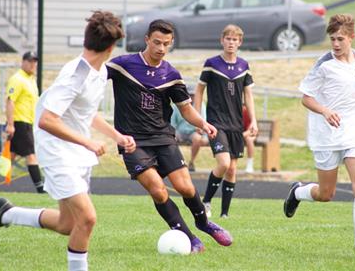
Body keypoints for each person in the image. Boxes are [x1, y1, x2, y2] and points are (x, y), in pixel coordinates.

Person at [0, 10, 136, 271]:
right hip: (57, 151)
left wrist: (116, 135)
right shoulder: (77, 73)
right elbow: (48, 120)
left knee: (67, 225)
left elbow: (86, 112)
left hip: (76, 152)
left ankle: (6, 213)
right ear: (111, 47)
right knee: (87, 218)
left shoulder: (99, 72)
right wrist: (88, 143)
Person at [106, 19, 232, 253]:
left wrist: (203, 123)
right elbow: (92, 75)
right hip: (133, 142)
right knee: (157, 189)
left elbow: (185, 109)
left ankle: (204, 223)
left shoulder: (172, 74)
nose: (161, 48)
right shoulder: (122, 65)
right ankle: (189, 237)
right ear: (146, 40)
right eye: (156, 42)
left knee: (185, 187)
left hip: (163, 138)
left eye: (166, 44)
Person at [283, 14, 355, 250]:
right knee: (326, 194)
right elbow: (306, 98)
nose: (335, 44)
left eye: (340, 39)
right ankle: (298, 192)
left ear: (351, 38)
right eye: (332, 39)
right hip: (326, 135)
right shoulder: (324, 64)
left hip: (354, 132)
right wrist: (325, 111)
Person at [194, 24, 258, 218]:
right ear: (222, 40)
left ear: (240, 42)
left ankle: (225, 214)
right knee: (223, 163)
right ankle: (206, 202)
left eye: (235, 39)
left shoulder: (244, 66)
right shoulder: (211, 63)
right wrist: (198, 119)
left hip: (236, 124)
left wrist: (253, 120)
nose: (231, 42)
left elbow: (248, 95)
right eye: (228, 39)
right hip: (216, 123)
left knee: (232, 169)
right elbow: (199, 90)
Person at [0, 51, 44, 193]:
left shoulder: (30, 80)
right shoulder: (18, 79)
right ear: (23, 62)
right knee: (31, 155)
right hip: (20, 122)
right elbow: (10, 101)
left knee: (9, 156)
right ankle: (40, 188)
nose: (33, 64)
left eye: (35, 61)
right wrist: (10, 124)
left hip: (27, 123)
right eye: (30, 61)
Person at [170, 87, 209, 172]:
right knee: (171, 138)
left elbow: (203, 122)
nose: (191, 97)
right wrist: (174, 133)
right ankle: (178, 162)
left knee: (197, 138)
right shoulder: (176, 106)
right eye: (189, 95)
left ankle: (191, 161)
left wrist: (200, 129)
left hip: (193, 132)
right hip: (180, 131)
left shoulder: (201, 105)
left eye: (193, 95)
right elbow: (172, 123)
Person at [242, 104, 256, 173]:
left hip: (250, 133)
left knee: (249, 139)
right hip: (238, 134)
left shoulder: (246, 111)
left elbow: (251, 130)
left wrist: (241, 135)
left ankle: (250, 164)